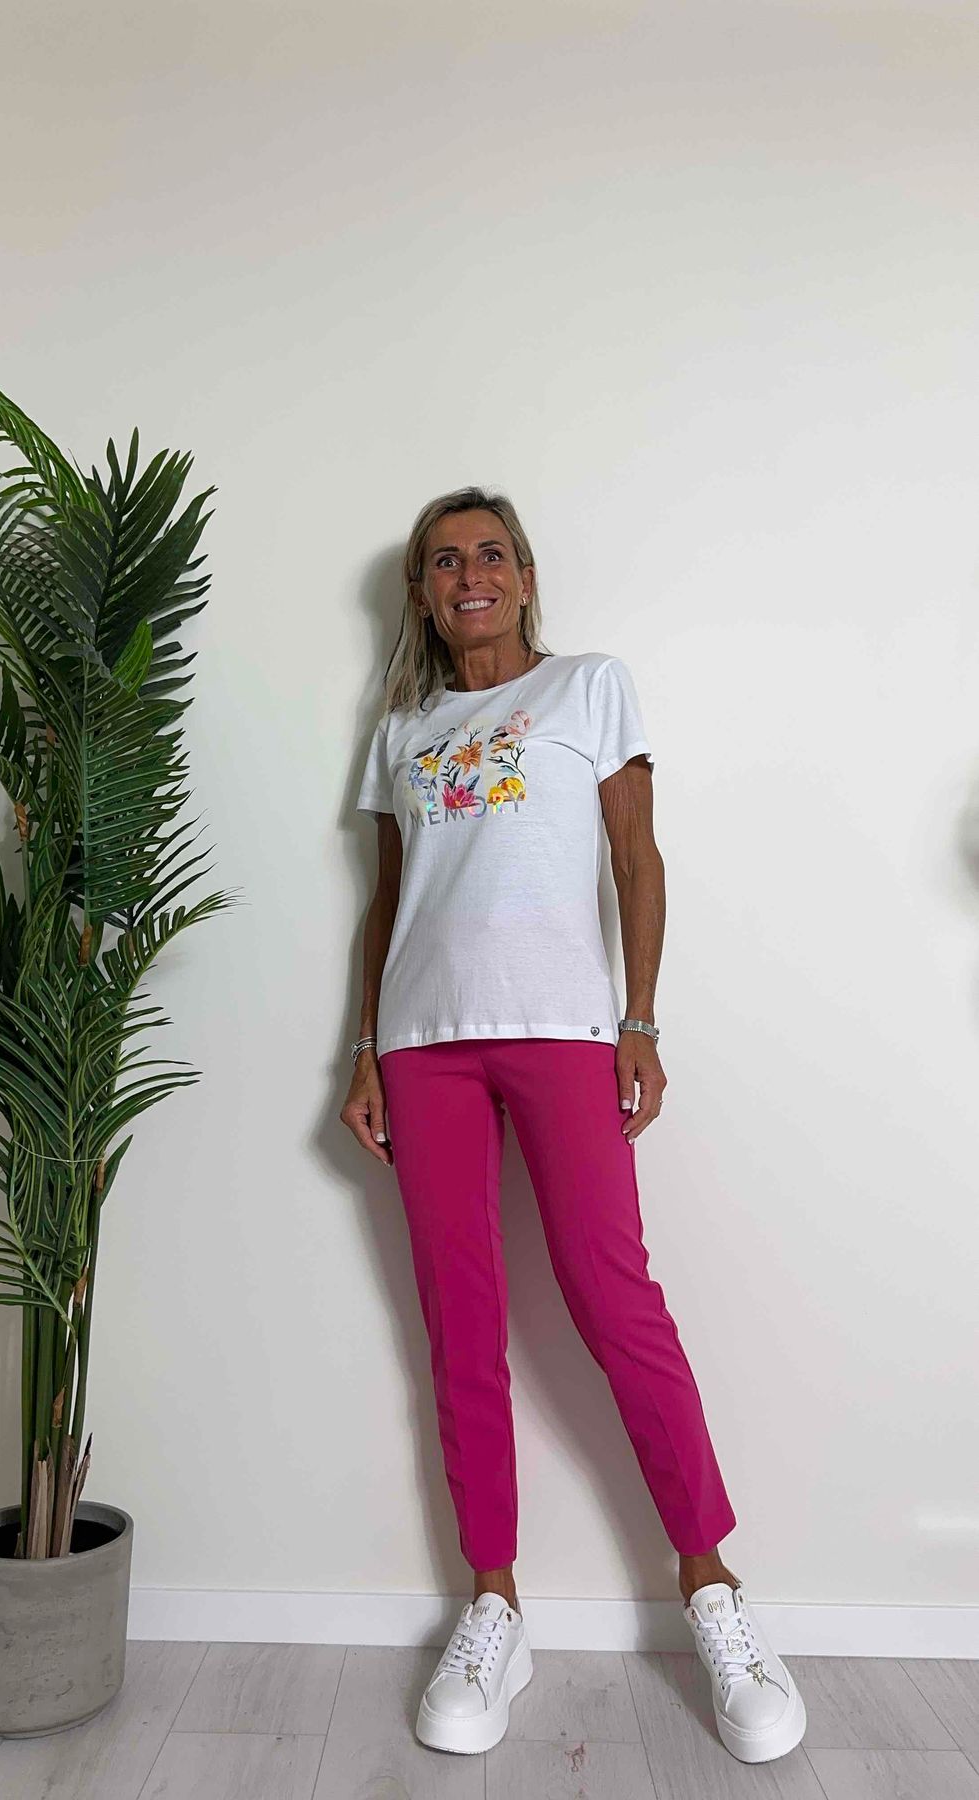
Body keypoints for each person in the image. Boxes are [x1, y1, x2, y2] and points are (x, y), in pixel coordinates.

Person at [341, 486, 807, 1765]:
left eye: (490, 554)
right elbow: (388, 903)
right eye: (445, 561)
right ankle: (493, 1604)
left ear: (526, 575)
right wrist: (365, 1047)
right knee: (458, 1323)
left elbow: (634, 861)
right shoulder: (402, 728)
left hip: (562, 1030)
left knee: (614, 1301)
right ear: (422, 593)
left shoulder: (589, 687)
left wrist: (639, 1021)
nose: (469, 576)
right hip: (424, 1047)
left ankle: (709, 1588)